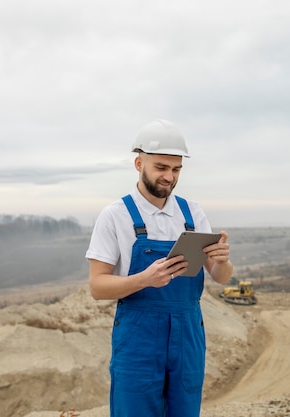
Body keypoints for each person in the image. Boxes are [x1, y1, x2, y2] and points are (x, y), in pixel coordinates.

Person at [85, 119, 233, 417]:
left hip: (189, 331)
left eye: (176, 169)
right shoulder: (115, 216)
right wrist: (143, 279)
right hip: (139, 335)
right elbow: (97, 287)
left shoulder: (192, 213)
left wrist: (222, 260)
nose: (169, 177)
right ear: (139, 163)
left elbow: (220, 277)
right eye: (161, 168)